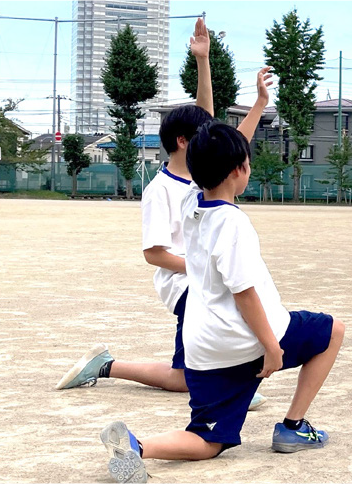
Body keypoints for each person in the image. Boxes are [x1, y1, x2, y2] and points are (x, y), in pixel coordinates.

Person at [98, 72, 346, 484]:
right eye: (245, 161)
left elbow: (218, 148)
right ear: (238, 170)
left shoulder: (192, 206)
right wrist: (271, 348)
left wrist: (257, 105)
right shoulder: (232, 223)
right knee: (332, 330)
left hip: (203, 349)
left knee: (209, 440)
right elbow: (245, 293)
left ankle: (137, 447)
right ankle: (293, 427)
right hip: (244, 340)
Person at [55, 18, 266, 410]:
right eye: (203, 134)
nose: (213, 136)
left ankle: (228, 380)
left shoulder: (202, 176)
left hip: (205, 282)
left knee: (241, 320)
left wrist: (205, 62)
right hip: (186, 287)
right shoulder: (160, 190)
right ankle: (107, 366)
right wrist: (200, 267)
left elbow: (228, 139)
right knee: (186, 377)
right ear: (184, 141)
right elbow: (153, 254)